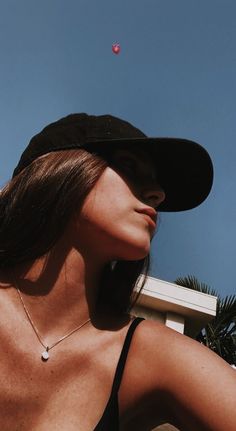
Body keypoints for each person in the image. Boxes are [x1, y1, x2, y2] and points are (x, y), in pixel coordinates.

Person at [0, 113, 235, 431]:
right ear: (59, 168)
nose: (157, 193)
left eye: (155, 184)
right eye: (130, 166)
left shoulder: (150, 355)